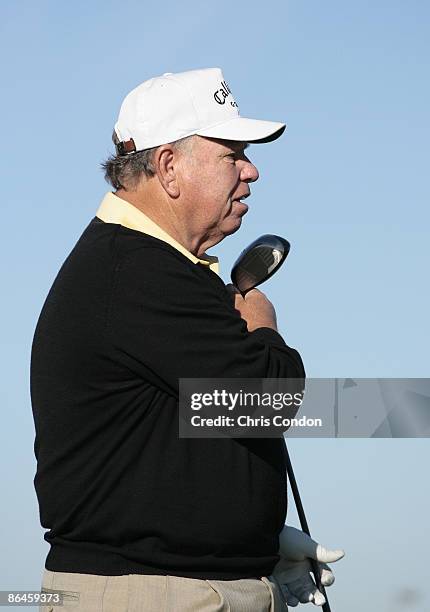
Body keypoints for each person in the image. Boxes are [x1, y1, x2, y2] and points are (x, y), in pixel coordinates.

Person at [31, 68, 344, 611]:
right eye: (232, 153)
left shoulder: (153, 268)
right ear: (170, 167)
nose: (252, 171)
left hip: (181, 584)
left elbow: (198, 419)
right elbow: (270, 403)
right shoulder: (136, 271)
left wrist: (256, 541)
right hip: (152, 592)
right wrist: (262, 325)